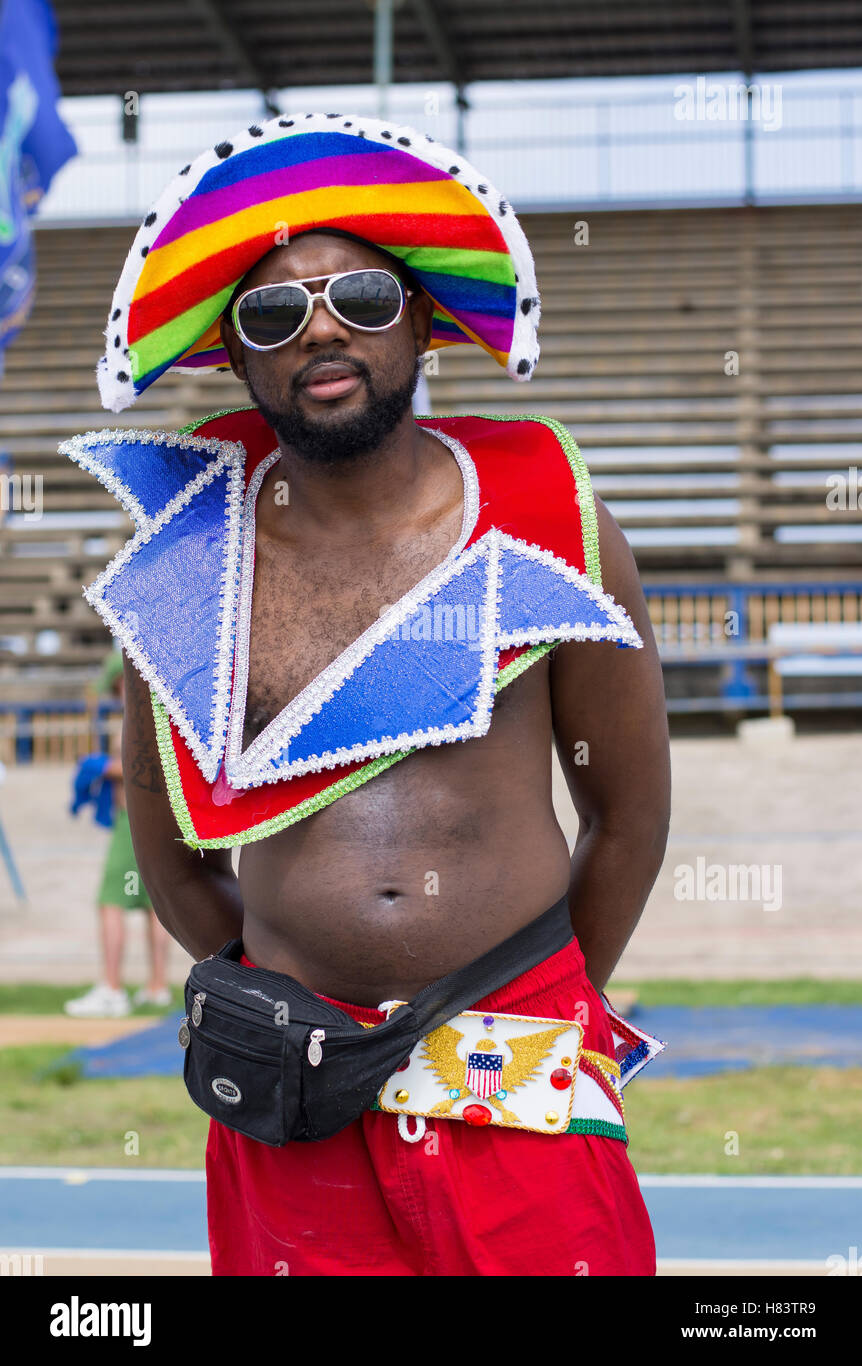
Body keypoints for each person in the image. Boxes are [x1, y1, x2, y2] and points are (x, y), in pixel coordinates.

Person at [61, 113, 670, 1275]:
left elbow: (627, 816)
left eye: (362, 298)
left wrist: (526, 998)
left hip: (518, 1061)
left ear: (425, 318)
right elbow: (170, 850)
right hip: (292, 1087)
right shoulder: (186, 558)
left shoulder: (555, 521)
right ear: (236, 358)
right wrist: (291, 988)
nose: (322, 329)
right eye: (274, 314)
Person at [64, 650, 171, 1016]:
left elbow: (142, 768)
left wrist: (99, 768)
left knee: (112, 902)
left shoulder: (143, 717)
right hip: (157, 828)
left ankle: (111, 989)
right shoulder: (161, 713)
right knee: (150, 908)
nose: (116, 694)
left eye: (118, 685)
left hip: (133, 830)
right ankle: (156, 986)